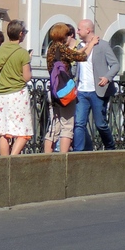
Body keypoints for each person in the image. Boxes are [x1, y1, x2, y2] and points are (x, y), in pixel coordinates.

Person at [74, 19, 120, 151]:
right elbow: (75, 67)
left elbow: (115, 64)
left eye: (79, 29)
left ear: (88, 30)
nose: (77, 31)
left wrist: (107, 77)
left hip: (98, 91)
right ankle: (78, 152)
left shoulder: (103, 45)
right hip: (82, 91)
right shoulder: (79, 47)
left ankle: (110, 147)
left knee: (100, 124)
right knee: (79, 124)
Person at [0, 19, 33, 156]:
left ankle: (3, 161)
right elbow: (27, 77)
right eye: (24, 32)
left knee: (3, 132)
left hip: (0, 94)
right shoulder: (22, 53)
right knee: (23, 131)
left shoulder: (0, 50)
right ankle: (12, 160)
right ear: (20, 34)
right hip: (17, 94)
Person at [44, 23, 86, 154]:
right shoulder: (61, 48)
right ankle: (63, 159)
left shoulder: (50, 48)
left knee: (53, 126)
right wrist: (90, 45)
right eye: (67, 34)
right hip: (65, 93)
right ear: (63, 35)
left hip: (53, 91)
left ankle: (46, 158)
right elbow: (81, 57)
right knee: (67, 125)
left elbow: (72, 54)